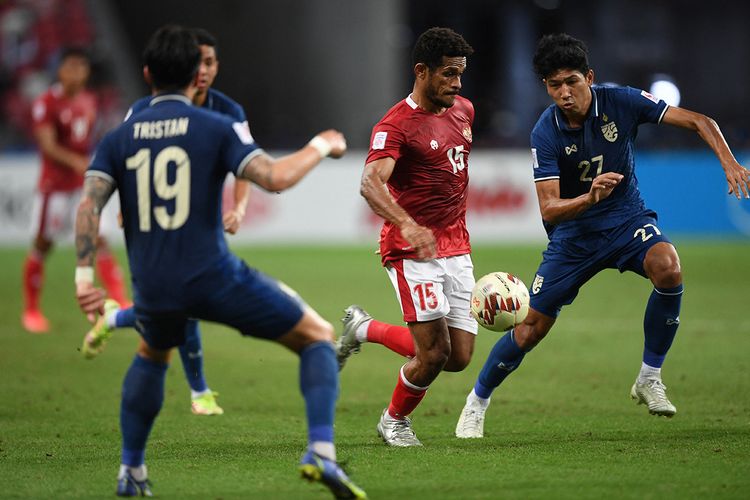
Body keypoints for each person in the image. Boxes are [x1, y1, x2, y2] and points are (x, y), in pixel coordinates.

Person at [73, 25, 366, 498]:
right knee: (318, 337)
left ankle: (131, 472)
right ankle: (321, 452)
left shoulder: (118, 136)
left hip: (152, 283)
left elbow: (89, 206)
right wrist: (320, 146)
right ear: (196, 75)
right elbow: (274, 176)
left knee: (151, 354)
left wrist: (84, 276)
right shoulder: (214, 126)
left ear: (147, 74)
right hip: (213, 277)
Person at [454, 33, 750, 439]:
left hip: (626, 220)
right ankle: (477, 402)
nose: (564, 92)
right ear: (546, 87)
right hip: (573, 237)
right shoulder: (546, 132)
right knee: (530, 327)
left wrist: (730, 163)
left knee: (668, 267)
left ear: (589, 77)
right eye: (555, 85)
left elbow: (701, 121)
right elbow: (549, 208)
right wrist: (590, 197)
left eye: (572, 81)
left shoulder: (622, 102)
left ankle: (649, 376)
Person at [81, 28, 252, 418]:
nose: (204, 70)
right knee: (178, 307)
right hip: (153, 226)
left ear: (216, 66)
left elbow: (246, 168)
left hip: (201, 224)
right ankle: (200, 391)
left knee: (174, 307)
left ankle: (115, 318)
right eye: (198, 63)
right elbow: (126, 158)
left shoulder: (230, 112)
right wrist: (128, 205)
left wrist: (239, 209)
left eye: (210, 62)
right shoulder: (143, 110)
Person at [337, 27, 476, 447]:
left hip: (457, 246)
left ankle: (363, 328)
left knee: (459, 357)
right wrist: (408, 224)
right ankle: (394, 421)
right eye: (449, 73)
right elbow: (370, 183)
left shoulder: (464, 110)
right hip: (411, 251)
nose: (457, 83)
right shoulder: (395, 125)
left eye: (461, 73)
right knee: (433, 355)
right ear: (422, 71)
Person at [22, 47, 128, 333]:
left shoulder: (89, 100)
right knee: (44, 244)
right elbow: (47, 144)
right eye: (71, 66)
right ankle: (31, 310)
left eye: (82, 67)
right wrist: (76, 162)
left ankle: (120, 299)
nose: (77, 72)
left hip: (82, 186)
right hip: (53, 188)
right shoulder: (46, 102)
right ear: (60, 70)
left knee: (100, 239)